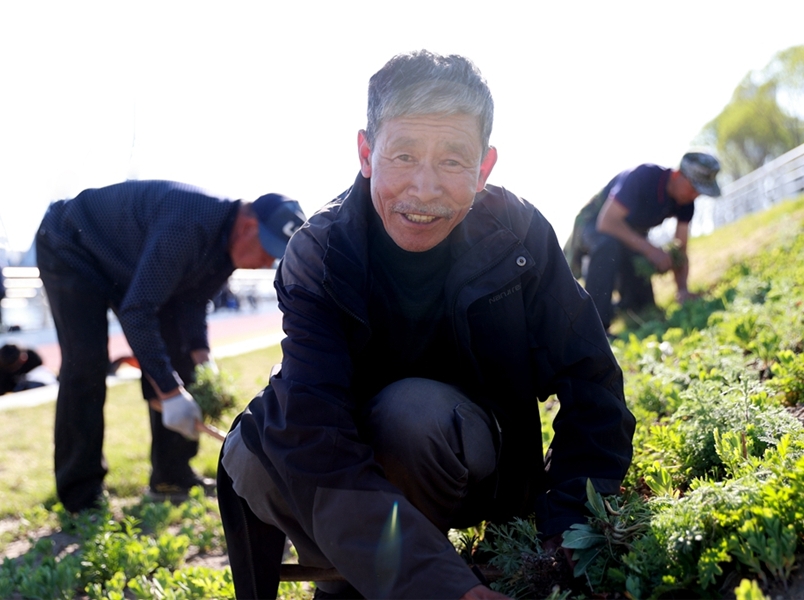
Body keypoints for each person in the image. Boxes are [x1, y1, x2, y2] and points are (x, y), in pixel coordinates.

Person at [217, 50, 635, 600]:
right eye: (404, 155)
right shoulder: (319, 253)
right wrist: (442, 587)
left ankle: (391, 569)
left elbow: (593, 384)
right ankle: (365, 570)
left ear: (484, 168)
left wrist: (563, 530)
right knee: (250, 450)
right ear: (366, 153)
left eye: (453, 162)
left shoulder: (517, 234)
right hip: (356, 466)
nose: (424, 189)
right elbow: (315, 434)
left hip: (473, 464)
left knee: (410, 414)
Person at [35, 181, 306, 513]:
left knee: (179, 354)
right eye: (269, 250)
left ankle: (171, 477)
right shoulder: (188, 226)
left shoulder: (229, 249)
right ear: (249, 226)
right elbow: (139, 312)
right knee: (86, 364)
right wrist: (168, 392)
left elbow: (191, 304)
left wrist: (202, 361)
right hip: (71, 244)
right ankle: (80, 496)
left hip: (125, 265)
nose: (267, 264)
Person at [563, 152, 722, 331]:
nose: (695, 195)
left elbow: (680, 248)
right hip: (593, 224)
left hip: (626, 235)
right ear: (678, 175)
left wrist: (682, 290)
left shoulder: (686, 202)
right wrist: (651, 251)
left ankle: (620, 307)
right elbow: (607, 222)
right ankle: (594, 328)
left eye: (700, 192)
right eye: (693, 188)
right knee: (607, 245)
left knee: (643, 306)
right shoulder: (644, 177)